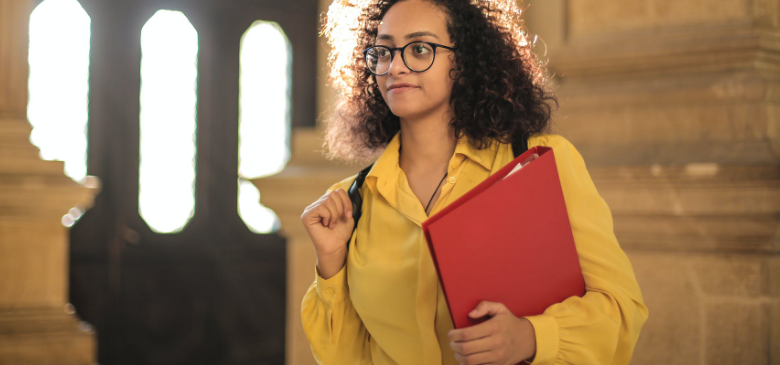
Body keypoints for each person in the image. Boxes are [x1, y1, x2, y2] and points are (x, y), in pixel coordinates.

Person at [299, 0, 649, 363]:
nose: (396, 66)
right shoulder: (349, 203)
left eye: (420, 49)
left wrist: (531, 337)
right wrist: (331, 263)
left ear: (463, 62)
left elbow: (621, 311)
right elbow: (345, 357)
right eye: (384, 51)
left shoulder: (539, 164)